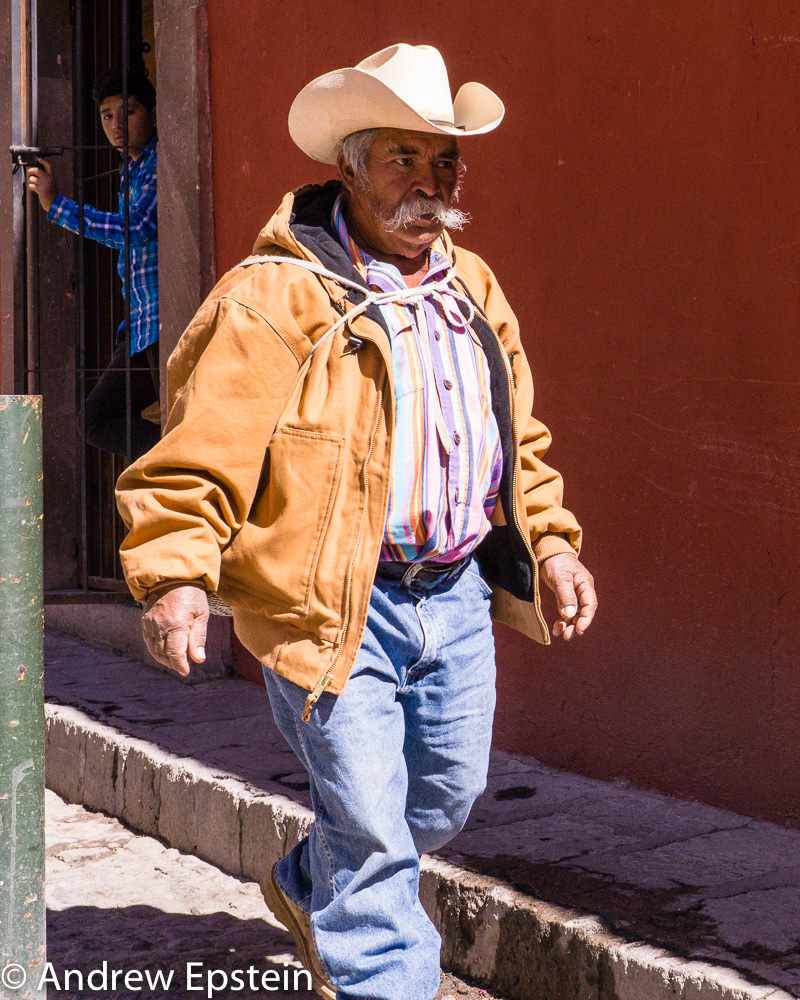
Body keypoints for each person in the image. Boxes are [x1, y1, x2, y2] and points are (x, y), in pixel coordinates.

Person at [114, 44, 598, 999]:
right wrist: (177, 573)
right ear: (350, 165)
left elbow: (516, 438)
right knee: (376, 834)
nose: (432, 185)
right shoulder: (276, 296)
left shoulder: (473, 291)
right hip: (335, 603)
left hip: (455, 596)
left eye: (445, 162)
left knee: (441, 802)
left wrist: (549, 539)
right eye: (404, 160)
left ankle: (309, 881)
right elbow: (203, 444)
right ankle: (381, 968)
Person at [26, 66, 160, 459]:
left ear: (152, 112)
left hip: (161, 322)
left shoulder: (158, 162)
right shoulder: (130, 170)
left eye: (129, 112)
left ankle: (185, 453)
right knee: (96, 419)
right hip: (138, 325)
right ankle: (178, 451)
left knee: (99, 419)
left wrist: (56, 206)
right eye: (107, 116)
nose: (117, 125)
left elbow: (139, 228)